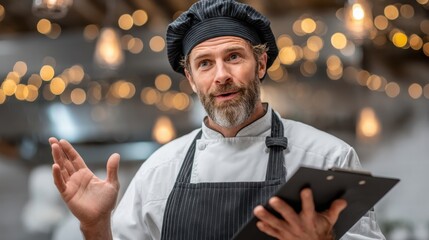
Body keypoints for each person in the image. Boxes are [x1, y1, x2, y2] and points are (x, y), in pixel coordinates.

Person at [50, 0, 386, 239]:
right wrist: (94, 226)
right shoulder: (159, 171)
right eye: (205, 63)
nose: (221, 75)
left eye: (234, 57)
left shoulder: (328, 159)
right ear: (192, 79)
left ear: (262, 64)